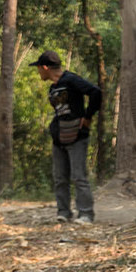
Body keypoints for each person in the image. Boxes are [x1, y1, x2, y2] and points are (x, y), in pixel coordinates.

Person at [35, 51, 104, 224]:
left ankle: (86, 214)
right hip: (59, 136)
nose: (38, 72)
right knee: (60, 177)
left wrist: (88, 117)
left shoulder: (71, 80)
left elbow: (96, 92)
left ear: (45, 67)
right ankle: (64, 212)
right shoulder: (53, 87)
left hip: (76, 135)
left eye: (38, 68)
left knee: (79, 176)